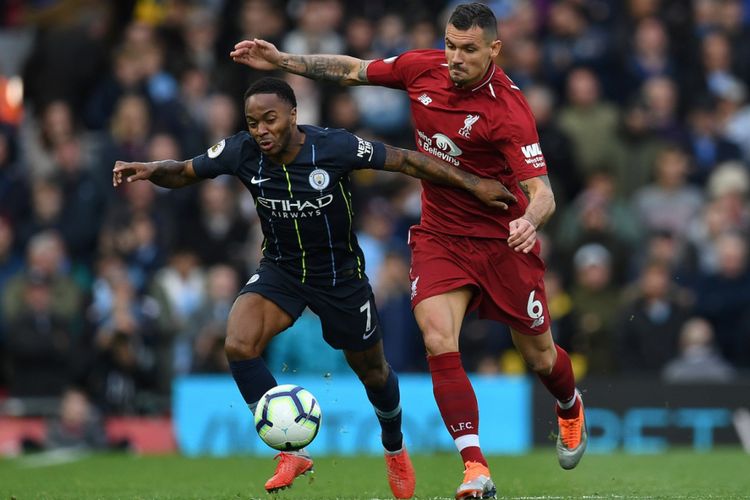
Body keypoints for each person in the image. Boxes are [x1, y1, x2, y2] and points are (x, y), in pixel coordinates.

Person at [230, 3, 588, 498]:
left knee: (541, 357)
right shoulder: (423, 68)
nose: (456, 57)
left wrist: (529, 221)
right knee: (438, 338)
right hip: (440, 236)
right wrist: (283, 60)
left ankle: (569, 406)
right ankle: (475, 467)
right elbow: (353, 70)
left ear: (494, 50)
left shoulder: (508, 111)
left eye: (468, 49)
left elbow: (541, 190)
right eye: (451, 45)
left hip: (503, 241)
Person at [113, 77, 515, 499]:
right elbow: (185, 171)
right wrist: (151, 170)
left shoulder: (334, 147)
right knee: (238, 343)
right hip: (281, 270)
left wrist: (473, 184)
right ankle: (290, 452)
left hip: (340, 277)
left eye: (270, 119)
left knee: (373, 372)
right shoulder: (241, 151)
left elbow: (407, 161)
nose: (261, 130)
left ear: (292, 115)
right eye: (252, 122)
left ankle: (394, 446)